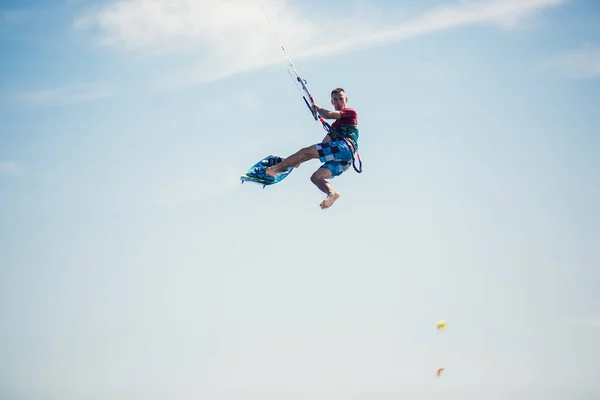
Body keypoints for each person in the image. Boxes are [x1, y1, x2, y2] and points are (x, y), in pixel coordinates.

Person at [255, 88, 359, 210]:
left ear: (346, 99)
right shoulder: (334, 127)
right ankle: (332, 193)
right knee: (316, 177)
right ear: (332, 102)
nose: (338, 102)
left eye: (341, 99)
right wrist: (296, 160)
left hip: (345, 147)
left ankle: (274, 170)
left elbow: (327, 115)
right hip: (343, 161)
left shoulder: (350, 112)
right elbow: (323, 145)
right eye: (335, 100)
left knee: (305, 152)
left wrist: (318, 108)